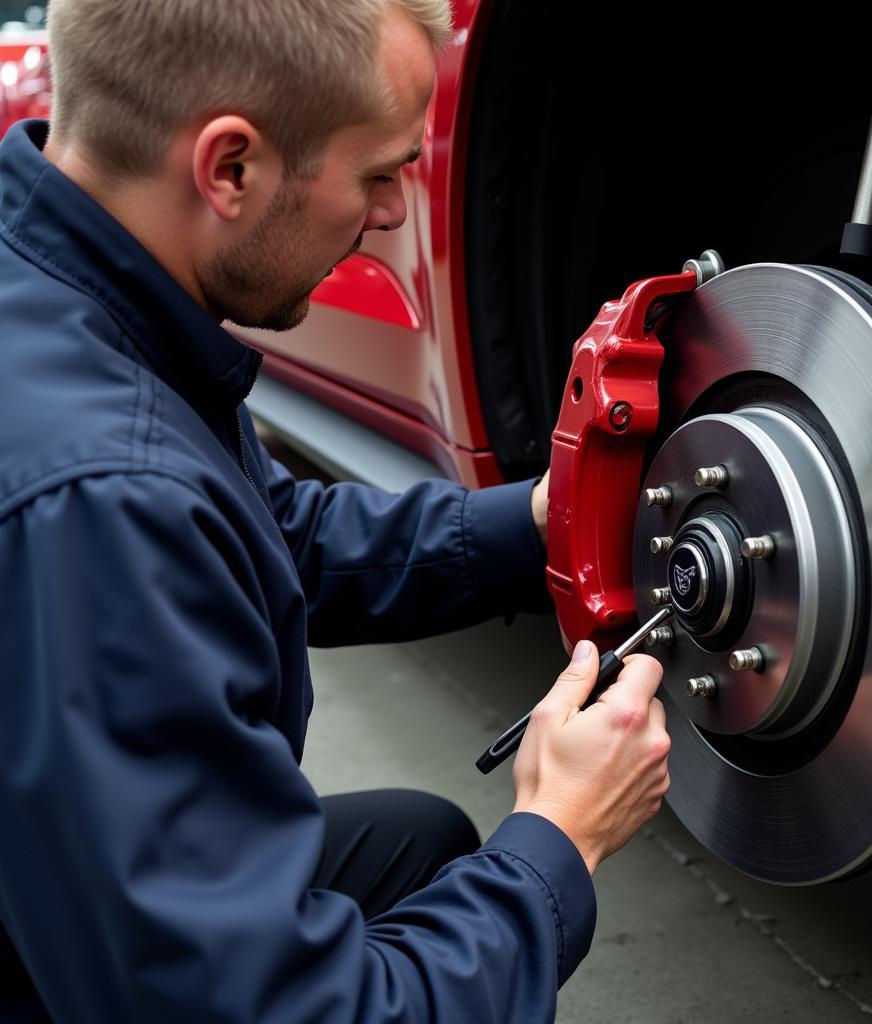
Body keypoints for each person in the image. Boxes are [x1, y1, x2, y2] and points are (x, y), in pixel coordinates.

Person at [0, 0, 671, 1020]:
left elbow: (267, 537)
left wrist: (548, 516)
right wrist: (563, 837)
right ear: (230, 168)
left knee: (420, 846)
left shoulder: (74, 293)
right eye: (378, 172)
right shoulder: (104, 499)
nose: (396, 211)